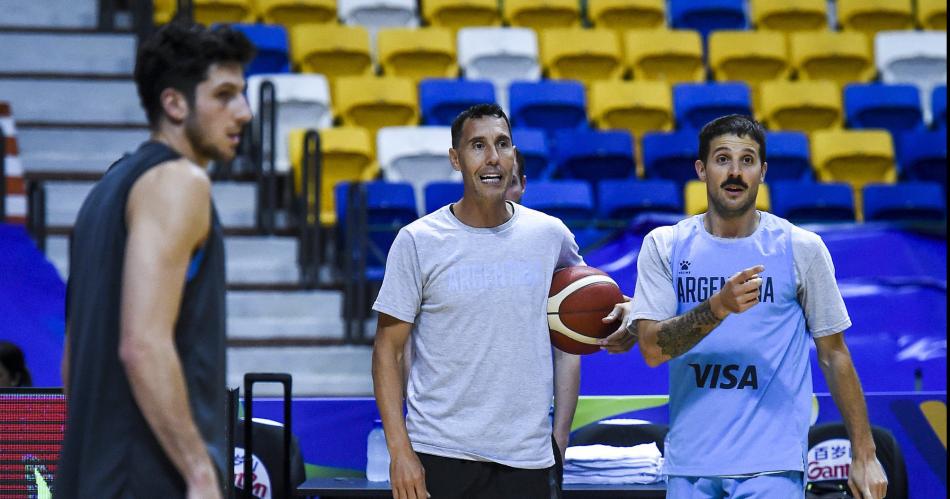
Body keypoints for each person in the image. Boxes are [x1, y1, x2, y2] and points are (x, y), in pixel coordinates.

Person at [601, 115, 888, 499]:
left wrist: (864, 453)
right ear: (701, 170)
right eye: (722, 159)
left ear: (762, 171)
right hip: (691, 464)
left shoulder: (800, 247)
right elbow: (653, 348)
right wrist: (719, 306)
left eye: (747, 160)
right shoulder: (666, 245)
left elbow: (834, 356)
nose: (735, 172)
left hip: (772, 465)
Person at [55, 21, 253, 499]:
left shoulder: (104, 191)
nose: (244, 112)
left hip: (90, 475)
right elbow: (142, 344)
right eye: (224, 95)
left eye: (242, 94)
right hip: (148, 478)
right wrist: (199, 473)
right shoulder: (180, 182)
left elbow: (70, 364)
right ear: (175, 104)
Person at [372, 103, 583, 499]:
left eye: (502, 144)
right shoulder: (418, 241)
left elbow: (589, 303)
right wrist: (400, 451)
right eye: (477, 146)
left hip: (528, 458)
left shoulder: (550, 235)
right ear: (456, 158)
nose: (492, 158)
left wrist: (622, 316)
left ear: (514, 156)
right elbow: (386, 350)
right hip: (441, 453)